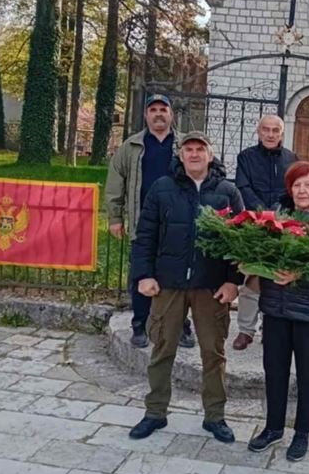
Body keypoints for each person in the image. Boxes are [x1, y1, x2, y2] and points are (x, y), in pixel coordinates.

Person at [128, 132, 244, 443]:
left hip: (211, 287)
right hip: (168, 284)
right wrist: (144, 275)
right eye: (188, 149)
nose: (194, 154)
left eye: (200, 149)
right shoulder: (162, 189)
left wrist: (234, 281)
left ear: (210, 154)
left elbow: (240, 241)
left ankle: (215, 416)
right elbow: (145, 236)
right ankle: (155, 412)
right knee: (162, 348)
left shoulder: (227, 192)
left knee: (214, 353)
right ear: (180, 155)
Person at [247, 161, 309, 462]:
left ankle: (302, 432)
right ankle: (273, 427)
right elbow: (262, 253)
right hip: (277, 309)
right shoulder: (276, 218)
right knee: (274, 371)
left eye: (308, 184)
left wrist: (299, 276)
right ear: (289, 189)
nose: (302, 190)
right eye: (296, 185)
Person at [105, 94, 195, 350]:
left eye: (163, 109)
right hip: (142, 221)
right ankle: (140, 325)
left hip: (177, 225)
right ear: (145, 115)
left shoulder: (184, 145)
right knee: (141, 274)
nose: (158, 114)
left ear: (171, 114)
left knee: (179, 277)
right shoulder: (132, 146)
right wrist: (115, 217)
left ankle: (181, 326)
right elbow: (115, 181)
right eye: (153, 109)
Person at [232, 115, 297, 351]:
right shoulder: (246, 157)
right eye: (266, 130)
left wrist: (279, 215)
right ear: (259, 132)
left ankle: (270, 329)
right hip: (254, 224)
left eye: (275, 130)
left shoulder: (292, 159)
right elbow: (243, 186)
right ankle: (246, 330)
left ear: (282, 133)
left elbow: (293, 190)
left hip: (283, 226)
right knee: (252, 277)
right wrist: (263, 214)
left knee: (277, 277)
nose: (270, 134)